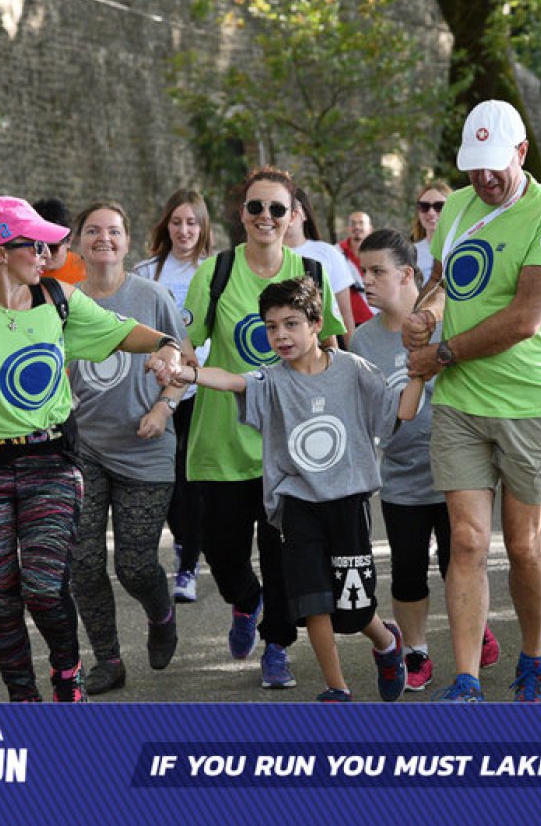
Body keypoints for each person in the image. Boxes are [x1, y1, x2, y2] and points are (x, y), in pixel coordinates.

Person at [0, 195, 184, 702]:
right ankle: (23, 699)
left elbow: (123, 332)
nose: (47, 254)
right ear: (0, 252)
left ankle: (67, 675)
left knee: (45, 587)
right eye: (36, 245)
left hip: (50, 462)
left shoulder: (58, 300)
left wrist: (166, 346)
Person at [170, 276, 417, 702]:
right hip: (297, 504)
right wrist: (186, 372)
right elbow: (230, 380)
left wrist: (420, 373)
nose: (280, 335)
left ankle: (386, 642)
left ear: (317, 324)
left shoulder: (353, 369)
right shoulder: (271, 379)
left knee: (354, 610)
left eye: (291, 324)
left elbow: (400, 413)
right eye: (271, 327)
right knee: (312, 601)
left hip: (348, 503)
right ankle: (336, 688)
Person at [404, 99, 541, 703]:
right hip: (460, 404)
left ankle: (534, 656)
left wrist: (442, 354)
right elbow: (442, 281)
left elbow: (525, 318)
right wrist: (426, 315)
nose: (483, 178)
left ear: (521, 154)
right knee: (468, 540)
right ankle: (468, 678)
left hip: (528, 402)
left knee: (523, 545)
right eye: (473, 166)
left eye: (495, 165)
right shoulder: (455, 206)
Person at [181, 166, 346, 690]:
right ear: (242, 213)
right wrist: (174, 369)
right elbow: (187, 343)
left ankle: (277, 645)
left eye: (278, 208)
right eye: (256, 207)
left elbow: (332, 347)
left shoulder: (311, 271)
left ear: (294, 215)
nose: (266, 217)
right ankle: (244, 599)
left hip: (290, 446)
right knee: (221, 551)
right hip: (222, 440)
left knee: (282, 557)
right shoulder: (217, 272)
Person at [69, 202, 190, 695]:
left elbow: (184, 363)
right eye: (93, 231)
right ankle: (109, 659)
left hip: (145, 448)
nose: (104, 238)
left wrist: (163, 406)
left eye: (114, 231)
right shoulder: (65, 301)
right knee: (82, 562)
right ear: (77, 242)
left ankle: (161, 615)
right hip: (84, 448)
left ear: (127, 241)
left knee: (135, 566)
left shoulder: (151, 296)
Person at [351, 228, 457, 692]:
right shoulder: (362, 339)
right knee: (408, 570)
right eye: (363, 271)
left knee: (459, 566)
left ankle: (473, 628)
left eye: (378, 271)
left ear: (407, 275)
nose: (367, 281)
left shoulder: (448, 322)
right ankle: (416, 651)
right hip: (399, 476)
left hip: (455, 470)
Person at [133, 189, 214, 604]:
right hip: (157, 389)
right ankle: (183, 541)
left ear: (203, 227)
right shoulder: (147, 272)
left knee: (191, 478)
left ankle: (188, 565)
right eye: (177, 222)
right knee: (165, 478)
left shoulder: (214, 271)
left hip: (201, 389)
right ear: (166, 226)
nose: (184, 231)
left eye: (192, 223)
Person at [284, 188, 359, 333]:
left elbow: (344, 313)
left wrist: (350, 346)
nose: (288, 216)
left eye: (293, 208)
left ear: (304, 213)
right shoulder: (263, 255)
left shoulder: (328, 253)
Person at [34, 198, 86, 284]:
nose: (45, 254)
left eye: (52, 248)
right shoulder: (20, 270)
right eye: (38, 246)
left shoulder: (87, 273)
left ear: (69, 241)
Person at [338, 210, 375, 327]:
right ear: (348, 228)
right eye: (353, 223)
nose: (357, 227)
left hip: (375, 320)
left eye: (361, 223)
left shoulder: (379, 253)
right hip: (344, 323)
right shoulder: (336, 252)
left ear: (370, 228)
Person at [410, 179, 452, 283]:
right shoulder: (409, 253)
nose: (431, 212)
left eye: (439, 206)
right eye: (424, 206)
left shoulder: (465, 247)